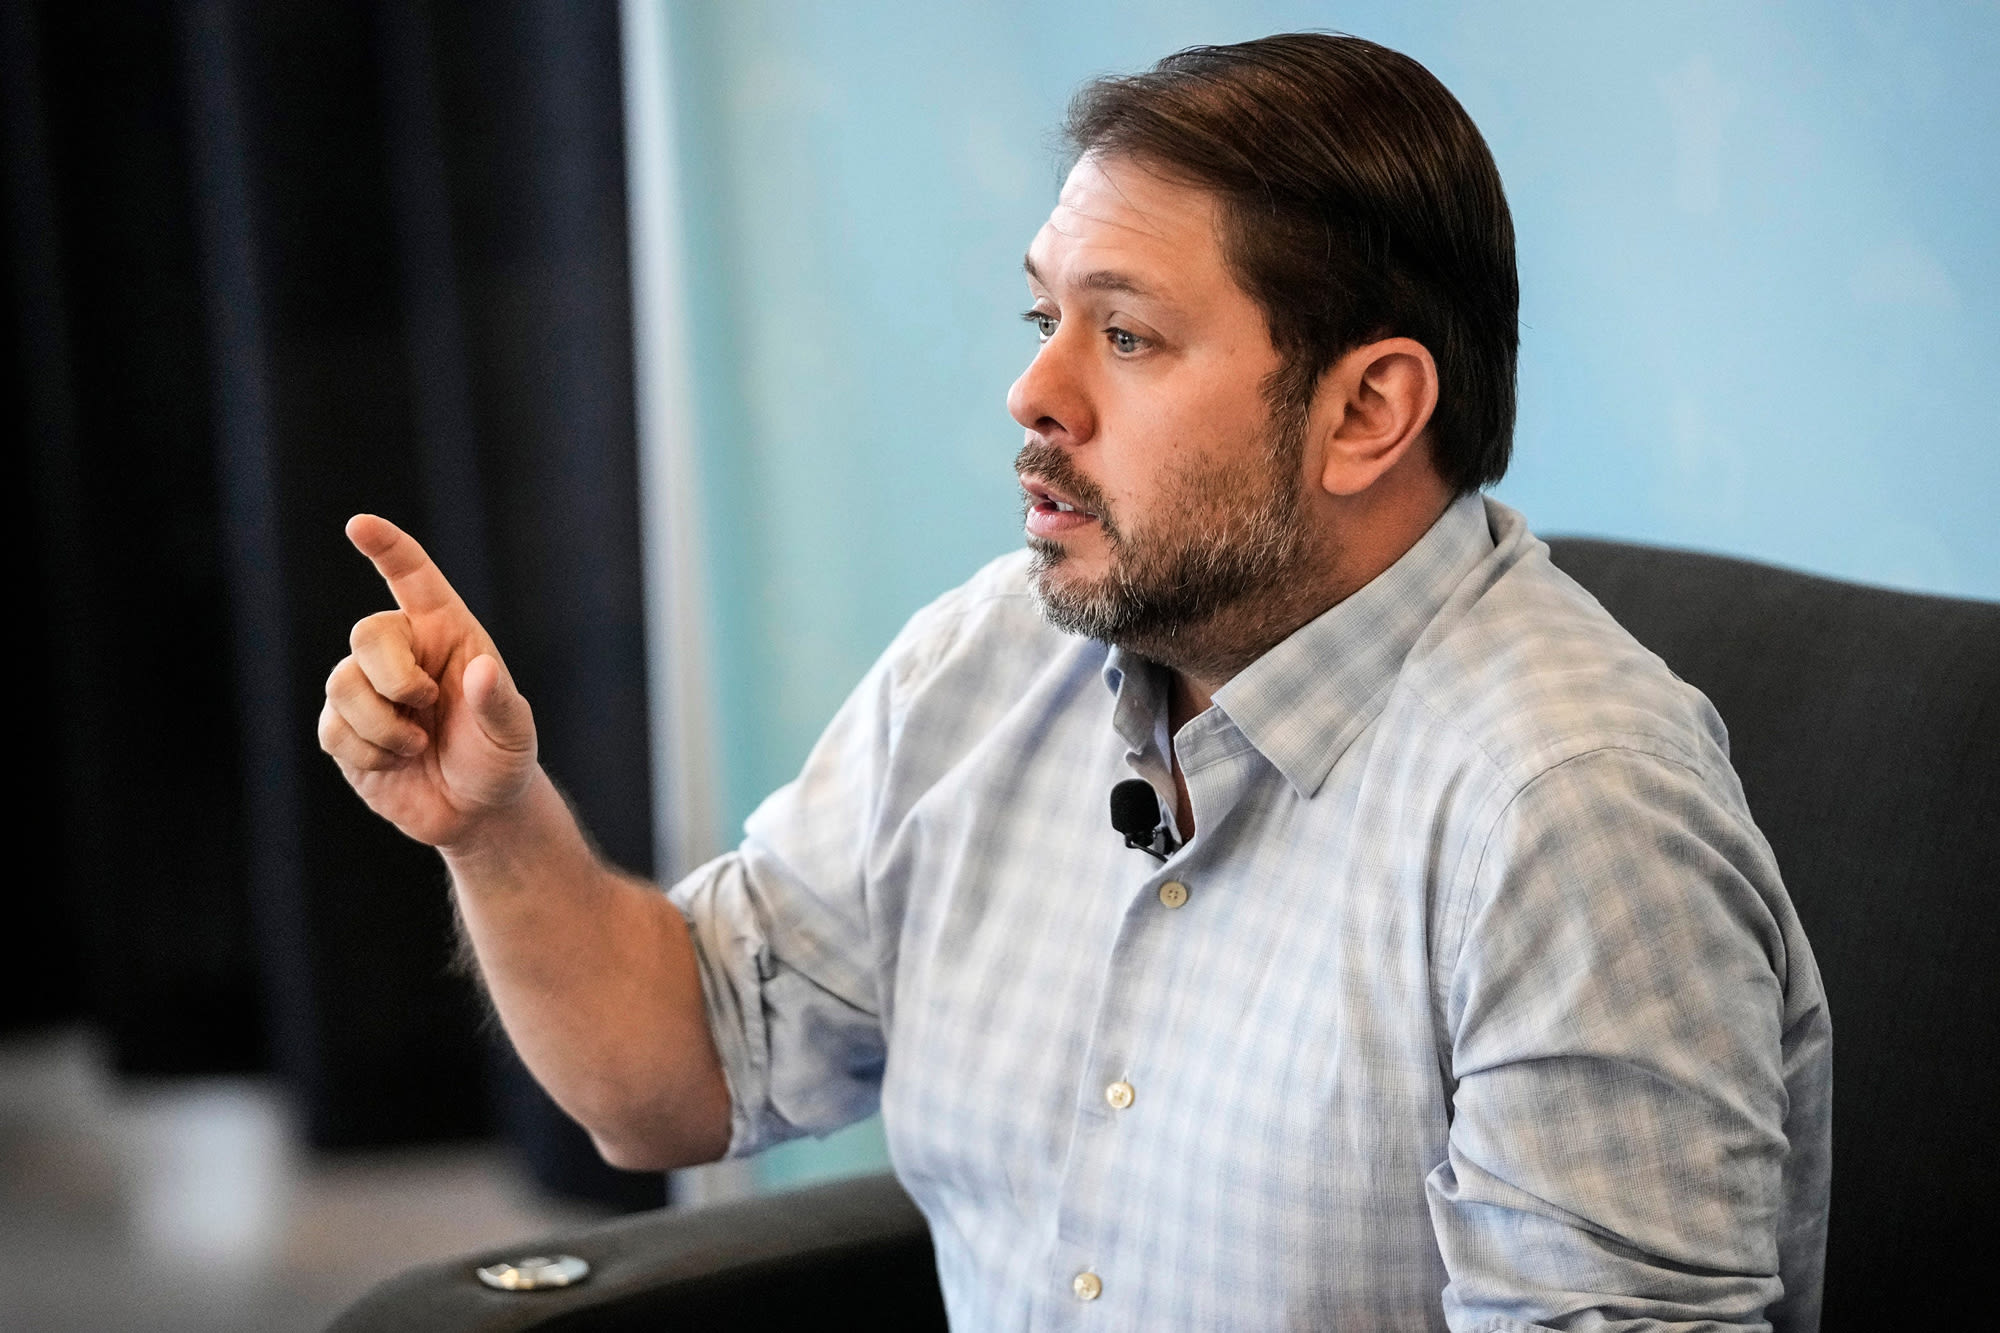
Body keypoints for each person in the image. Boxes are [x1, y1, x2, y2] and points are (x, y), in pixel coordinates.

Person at [319, 33, 1830, 1331]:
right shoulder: (994, 659)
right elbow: (679, 1072)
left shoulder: (1569, 810)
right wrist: (496, 825)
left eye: (1127, 334)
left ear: (1367, 409)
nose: (1035, 393)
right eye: (1045, 319)